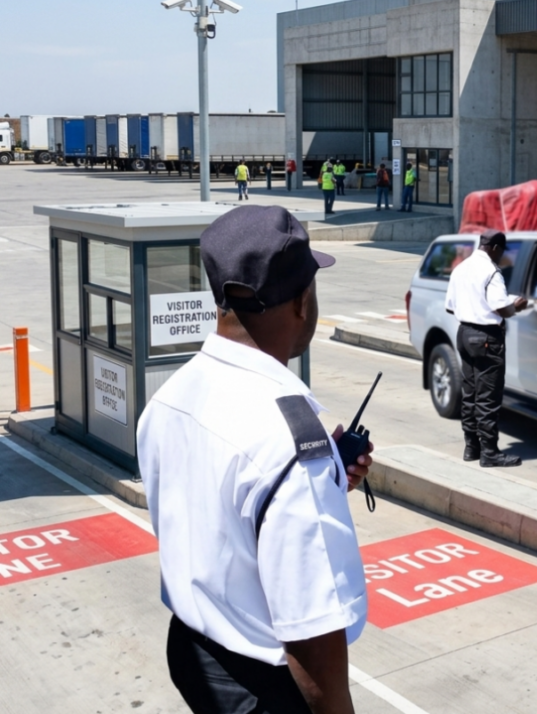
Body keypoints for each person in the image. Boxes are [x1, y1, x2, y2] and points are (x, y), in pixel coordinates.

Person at [137, 205, 373, 714]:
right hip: (262, 691)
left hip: (193, 655)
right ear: (302, 301)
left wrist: (324, 480)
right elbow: (312, 639)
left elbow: (217, 511)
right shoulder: (291, 446)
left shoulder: (169, 397)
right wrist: (312, 477)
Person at [445, 229, 529, 467]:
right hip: (486, 337)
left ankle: (471, 447)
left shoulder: (460, 268)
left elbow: (450, 307)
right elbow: (502, 308)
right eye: (501, 251)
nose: (501, 256)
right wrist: (517, 306)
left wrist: (474, 307)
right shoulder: (492, 271)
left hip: (464, 334)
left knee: (470, 394)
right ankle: (490, 453)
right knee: (488, 397)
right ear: (494, 248)